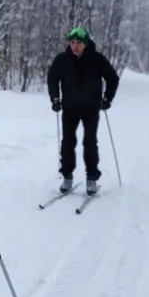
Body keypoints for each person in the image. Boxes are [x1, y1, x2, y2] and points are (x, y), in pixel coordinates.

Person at [46, 26, 119, 196]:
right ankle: (67, 176)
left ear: (85, 43)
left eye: (78, 42)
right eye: (72, 42)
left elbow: (112, 79)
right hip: (70, 107)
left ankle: (92, 177)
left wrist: (107, 98)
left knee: (90, 142)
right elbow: (52, 79)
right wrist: (55, 99)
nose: (75, 46)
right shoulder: (62, 60)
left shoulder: (97, 59)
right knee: (68, 142)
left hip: (91, 107)